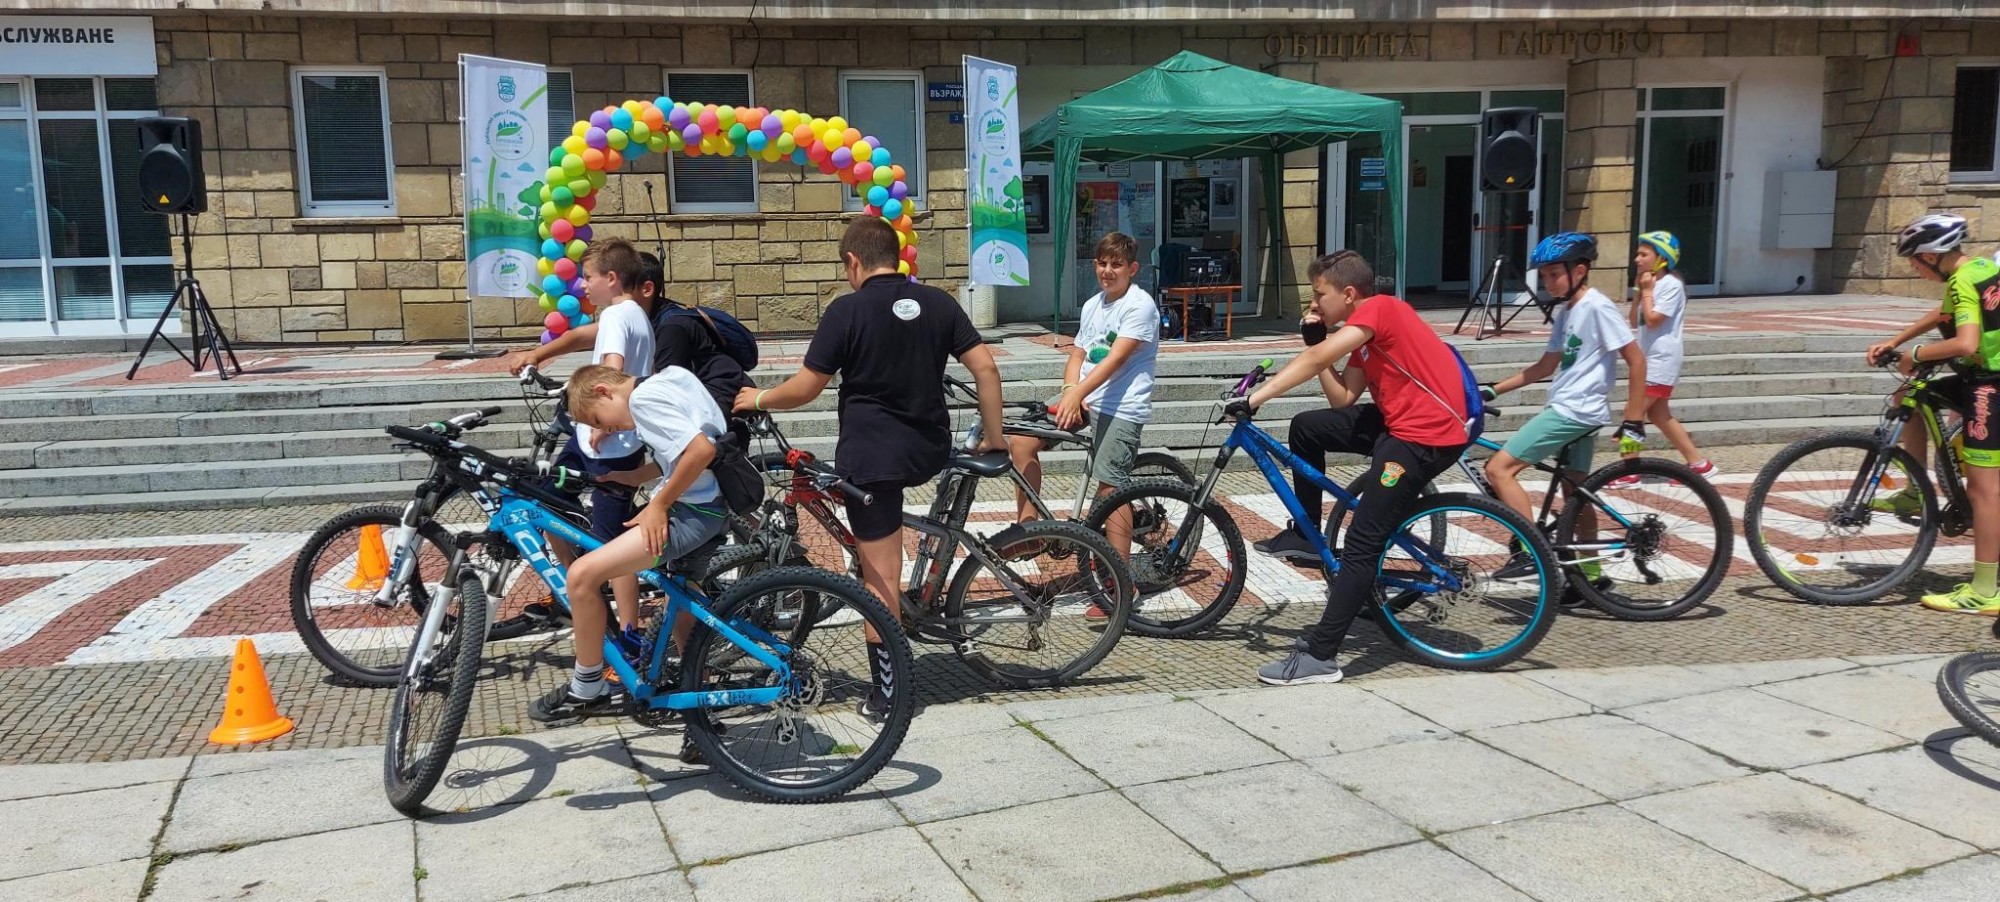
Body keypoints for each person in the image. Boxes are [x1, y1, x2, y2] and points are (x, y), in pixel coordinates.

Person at [734, 215, 1007, 717]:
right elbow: (986, 368)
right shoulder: (940, 302)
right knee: (887, 557)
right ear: (896, 257)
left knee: (878, 578)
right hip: (927, 449)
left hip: (873, 457)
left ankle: (891, 691)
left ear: (853, 261)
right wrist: (994, 437)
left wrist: (759, 399)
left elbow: (806, 387)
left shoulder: (847, 310)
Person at [1242, 250, 1476, 685]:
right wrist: (1317, 345)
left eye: (1319, 295)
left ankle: (1321, 658)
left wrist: (1255, 398)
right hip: (1396, 422)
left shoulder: (1381, 309)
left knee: (1362, 543)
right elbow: (1342, 399)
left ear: (1349, 294)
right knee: (1308, 428)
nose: (1314, 305)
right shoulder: (1364, 336)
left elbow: (1313, 365)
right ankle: (1306, 534)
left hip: (1424, 436)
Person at [532, 364, 732, 723]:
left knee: (581, 575)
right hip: (712, 505)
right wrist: (632, 476)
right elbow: (687, 448)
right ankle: (702, 715)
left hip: (690, 512)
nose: (610, 430)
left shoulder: (643, 399)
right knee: (681, 610)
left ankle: (588, 684)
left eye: (600, 420)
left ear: (603, 391)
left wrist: (659, 505)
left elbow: (700, 451)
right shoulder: (671, 377)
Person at [1481, 232, 1649, 581]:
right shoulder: (1566, 312)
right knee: (1575, 495)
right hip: (1578, 409)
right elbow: (1545, 366)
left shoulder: (1597, 307)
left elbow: (1636, 360)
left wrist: (1634, 420)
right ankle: (1591, 576)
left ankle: (1530, 552)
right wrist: (1492, 391)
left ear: (1580, 270)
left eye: (1554, 273)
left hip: (1575, 411)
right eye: (1543, 275)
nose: (1547, 282)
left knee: (1499, 469)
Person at [1007, 231, 1158, 613]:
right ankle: (1031, 532)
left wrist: (1078, 395)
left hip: (1121, 405)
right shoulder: (1093, 304)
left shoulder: (1140, 306)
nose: (1108, 271)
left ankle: (1120, 585)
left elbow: (1116, 359)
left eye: (1116, 265)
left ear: (1132, 269)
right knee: (1022, 440)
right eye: (1102, 263)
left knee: (1110, 488)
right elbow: (1078, 354)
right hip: (1086, 396)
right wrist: (1070, 390)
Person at [1865, 212, 2000, 614]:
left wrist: (1917, 354)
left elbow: (1965, 342)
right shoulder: (1978, 267)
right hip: (1980, 376)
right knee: (1909, 395)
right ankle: (1914, 492)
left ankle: (1985, 590)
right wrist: (1897, 340)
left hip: (1990, 386)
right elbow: (1944, 314)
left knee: (1984, 491)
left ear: (1929, 256)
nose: (1913, 269)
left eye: (1913, 262)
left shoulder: (1961, 279)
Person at [550, 238, 658, 660]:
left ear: (611, 279)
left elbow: (611, 369)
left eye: (588, 277)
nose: (582, 286)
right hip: (601, 440)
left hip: (608, 444)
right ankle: (582, 589)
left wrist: (601, 422)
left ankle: (628, 634)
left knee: (611, 544)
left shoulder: (615, 314)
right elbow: (586, 338)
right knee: (550, 503)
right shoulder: (635, 314)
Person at [1607, 230, 1716, 488]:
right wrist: (1639, 292)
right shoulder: (1651, 284)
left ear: (1662, 259)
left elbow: (1654, 319)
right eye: (1637, 254)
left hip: (1662, 359)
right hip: (1649, 358)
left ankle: (1630, 471)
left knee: (1633, 411)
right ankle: (1699, 464)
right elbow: (1635, 321)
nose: (1637, 259)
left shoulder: (1671, 286)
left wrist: (1647, 292)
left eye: (1644, 254)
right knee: (1659, 415)